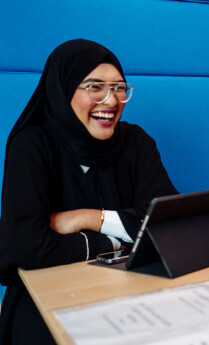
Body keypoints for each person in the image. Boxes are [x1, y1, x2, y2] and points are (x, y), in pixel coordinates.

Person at [0, 39, 178, 344]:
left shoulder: (136, 142)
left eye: (120, 88)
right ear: (63, 89)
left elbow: (169, 227)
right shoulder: (32, 146)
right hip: (47, 301)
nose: (111, 101)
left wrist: (90, 218)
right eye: (94, 87)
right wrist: (119, 241)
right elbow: (29, 250)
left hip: (130, 294)